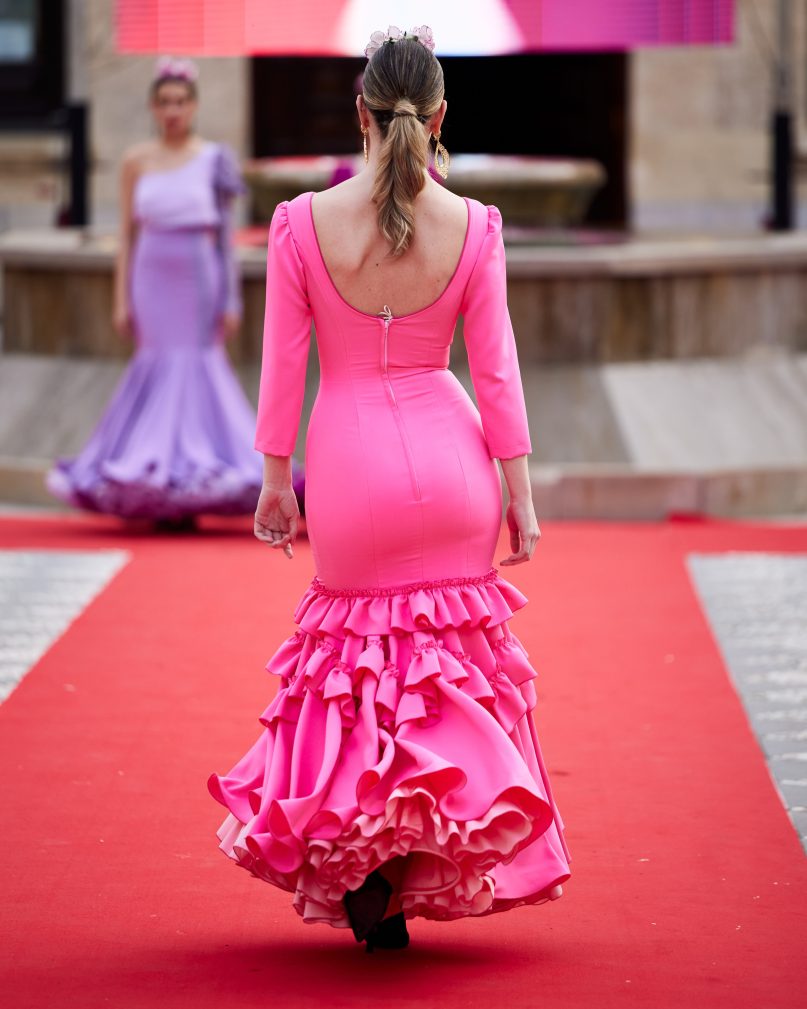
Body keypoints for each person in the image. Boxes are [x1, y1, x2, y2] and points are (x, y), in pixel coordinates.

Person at [209, 26, 570, 952]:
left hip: (348, 463)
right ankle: (417, 855)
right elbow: (496, 373)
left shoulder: (300, 222)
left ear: (359, 114)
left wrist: (273, 479)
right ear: (440, 116)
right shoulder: (476, 225)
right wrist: (518, 489)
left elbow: (283, 369)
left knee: (360, 670)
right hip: (453, 464)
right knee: (447, 670)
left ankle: (369, 865)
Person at [47, 57, 304, 526]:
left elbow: (226, 235)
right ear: (152, 106)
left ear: (194, 106)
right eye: (164, 102)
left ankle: (194, 474)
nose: (172, 110)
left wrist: (230, 299)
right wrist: (121, 297)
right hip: (150, 276)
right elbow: (126, 235)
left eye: (180, 102)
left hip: (198, 276)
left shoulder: (213, 160)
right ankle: (156, 478)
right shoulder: (135, 162)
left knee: (198, 369)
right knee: (156, 368)